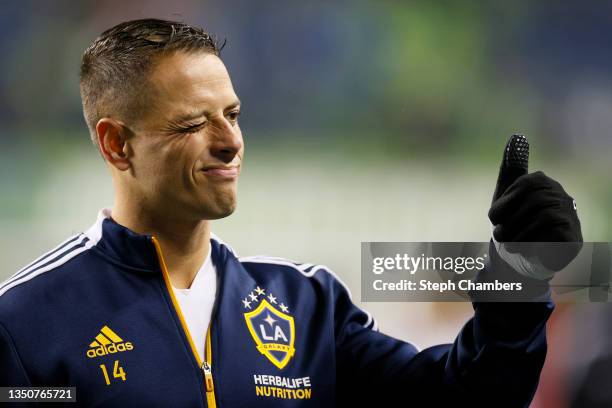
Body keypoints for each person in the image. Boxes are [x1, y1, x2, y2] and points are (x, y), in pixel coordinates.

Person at [0, 19, 582, 407]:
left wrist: (519, 277)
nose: (229, 141)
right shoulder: (25, 324)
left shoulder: (306, 305)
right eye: (194, 123)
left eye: (233, 114)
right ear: (115, 144)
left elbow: (463, 396)